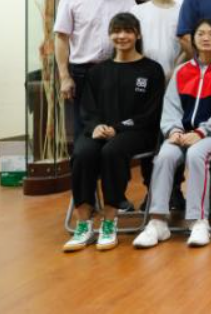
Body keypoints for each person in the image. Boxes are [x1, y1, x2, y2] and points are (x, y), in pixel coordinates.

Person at [134, 18, 211, 249]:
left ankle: (198, 221)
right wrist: (173, 130)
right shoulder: (182, 71)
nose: (206, 38)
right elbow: (171, 105)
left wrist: (201, 132)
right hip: (181, 133)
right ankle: (157, 222)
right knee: (165, 155)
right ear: (193, 39)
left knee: (196, 154)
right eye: (200, 33)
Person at [64, 13, 165, 252]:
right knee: (83, 153)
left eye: (128, 31)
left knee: (112, 151)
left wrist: (118, 128)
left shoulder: (152, 69)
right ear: (110, 35)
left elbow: (150, 113)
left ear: (137, 35)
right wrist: (95, 126)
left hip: (137, 131)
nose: (122, 36)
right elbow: (88, 108)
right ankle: (84, 224)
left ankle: (110, 221)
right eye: (117, 31)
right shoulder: (97, 71)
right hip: (99, 130)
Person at [55, 0, 137, 140]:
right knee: (84, 127)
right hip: (83, 72)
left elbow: (135, 34)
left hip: (118, 70)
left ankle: (111, 160)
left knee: (116, 125)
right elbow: (61, 38)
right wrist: (64, 76)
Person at [130, 0, 185, 212]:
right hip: (144, 84)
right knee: (150, 137)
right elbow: (132, 45)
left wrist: (175, 69)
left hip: (176, 82)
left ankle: (175, 191)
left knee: (174, 136)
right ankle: (152, 191)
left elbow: (189, 47)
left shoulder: (183, 10)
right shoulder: (138, 12)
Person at [130, 0, 183, 79]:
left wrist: (175, 71)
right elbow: (132, 44)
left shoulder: (183, 11)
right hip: (143, 73)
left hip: (175, 74)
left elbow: (187, 47)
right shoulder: (136, 11)